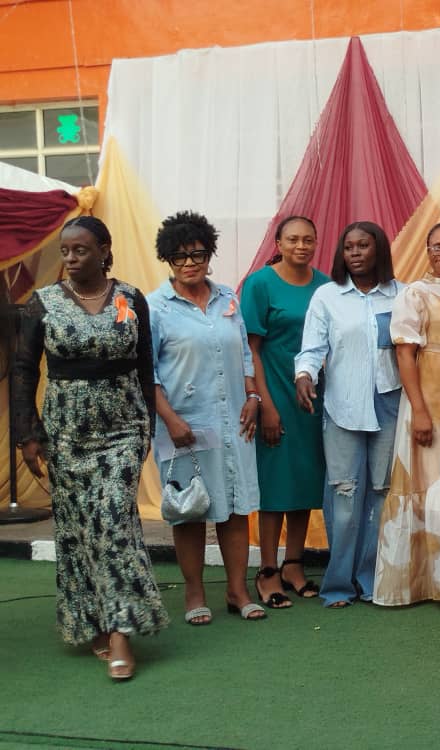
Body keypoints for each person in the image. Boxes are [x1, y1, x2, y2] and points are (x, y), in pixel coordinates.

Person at [13, 216, 168, 681]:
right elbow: (24, 370)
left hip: (123, 428)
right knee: (81, 528)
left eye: (80, 250)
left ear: (104, 250)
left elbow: (144, 362)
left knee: (114, 518)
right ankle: (95, 618)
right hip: (66, 433)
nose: (71, 258)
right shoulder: (42, 303)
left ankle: (121, 631)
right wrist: (27, 433)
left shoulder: (131, 299)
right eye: (65, 251)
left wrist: (148, 424)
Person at [149, 211, 265, 624]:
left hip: (234, 421)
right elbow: (147, 372)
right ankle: (194, 592)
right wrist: (171, 420)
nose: (190, 263)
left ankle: (237, 590)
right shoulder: (155, 307)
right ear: (168, 260)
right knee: (190, 509)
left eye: (198, 254)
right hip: (183, 425)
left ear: (209, 254)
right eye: (179, 257)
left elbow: (245, 352)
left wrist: (253, 395)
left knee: (235, 506)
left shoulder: (227, 298)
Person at [295, 221, 404, 608]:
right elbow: (311, 349)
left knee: (381, 495)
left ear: (379, 250)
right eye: (348, 247)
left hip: (389, 405)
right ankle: (338, 585)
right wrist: (304, 376)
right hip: (342, 407)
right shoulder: (327, 297)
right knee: (344, 496)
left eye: (363, 245)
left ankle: (371, 580)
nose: (355, 253)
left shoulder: (402, 294)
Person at [374, 221, 440, 608]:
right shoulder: (413, 293)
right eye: (437, 247)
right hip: (429, 400)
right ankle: (438, 584)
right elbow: (405, 353)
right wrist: (418, 410)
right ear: (428, 250)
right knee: (434, 484)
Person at [240, 216, 330, 608]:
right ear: (278, 243)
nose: (301, 246)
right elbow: (251, 350)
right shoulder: (260, 284)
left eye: (308, 239)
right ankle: (267, 570)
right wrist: (265, 405)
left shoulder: (325, 285)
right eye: (292, 239)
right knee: (275, 483)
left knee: (304, 480)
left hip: (311, 396)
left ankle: (294, 564)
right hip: (273, 390)